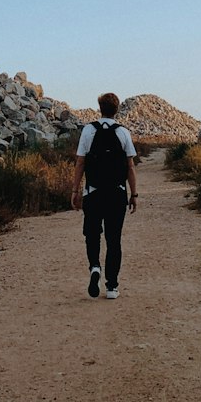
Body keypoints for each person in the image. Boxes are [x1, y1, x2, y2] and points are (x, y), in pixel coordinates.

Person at [71, 93, 138, 299]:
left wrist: (75, 191)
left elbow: (81, 162)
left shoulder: (88, 131)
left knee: (92, 234)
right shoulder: (124, 133)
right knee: (113, 239)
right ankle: (112, 286)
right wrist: (133, 194)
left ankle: (94, 267)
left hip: (93, 192)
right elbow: (130, 167)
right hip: (116, 193)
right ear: (116, 110)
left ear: (99, 108)